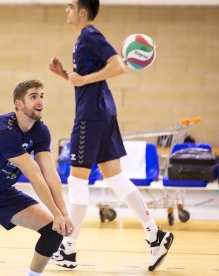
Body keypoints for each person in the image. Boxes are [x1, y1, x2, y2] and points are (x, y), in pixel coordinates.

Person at [48, 0, 173, 272]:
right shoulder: (83, 40)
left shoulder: (90, 35)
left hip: (90, 116)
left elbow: (118, 66)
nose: (66, 10)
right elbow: (84, 80)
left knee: (76, 179)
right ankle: (155, 235)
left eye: (70, 6)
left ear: (83, 11)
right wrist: (65, 75)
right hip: (102, 112)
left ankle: (68, 249)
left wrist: (82, 80)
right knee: (114, 176)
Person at [0, 80, 74, 276]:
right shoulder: (3, 129)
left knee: (54, 231)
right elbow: (34, 175)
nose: (40, 100)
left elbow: (50, 173)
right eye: (33, 96)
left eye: (42, 95)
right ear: (19, 104)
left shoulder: (41, 131)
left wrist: (63, 214)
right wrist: (56, 212)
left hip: (2, 192)